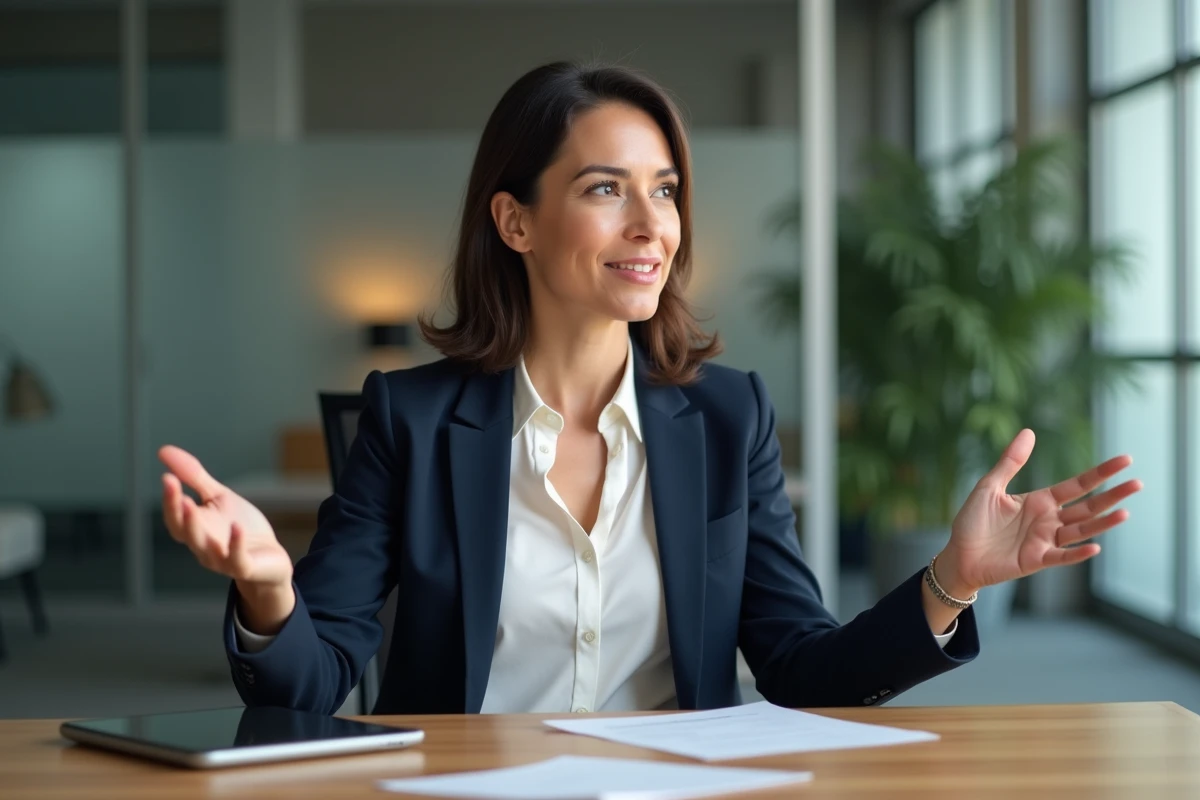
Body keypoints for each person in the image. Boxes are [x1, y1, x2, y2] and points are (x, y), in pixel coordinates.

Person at [158, 62, 1141, 716]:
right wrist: (270, 589)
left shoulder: (728, 416)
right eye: (604, 188)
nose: (650, 224)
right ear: (515, 220)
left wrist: (949, 581)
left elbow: (802, 666)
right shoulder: (410, 419)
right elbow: (308, 682)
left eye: (664, 187)